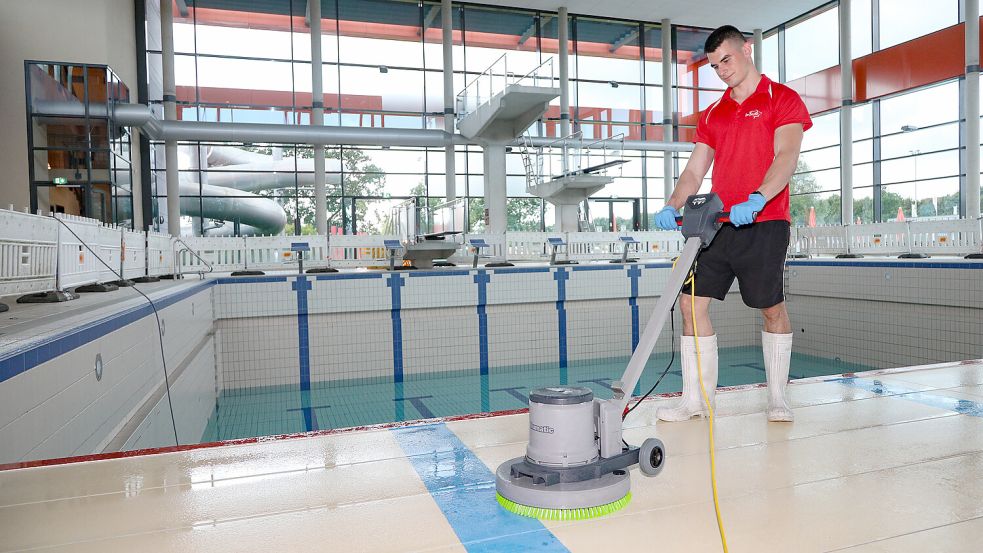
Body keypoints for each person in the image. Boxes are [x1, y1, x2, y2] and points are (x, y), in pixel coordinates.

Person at [654, 25, 812, 423]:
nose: (722, 70)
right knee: (690, 305)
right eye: (714, 66)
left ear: (747, 49)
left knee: (770, 308)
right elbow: (694, 171)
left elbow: (787, 156)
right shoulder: (714, 113)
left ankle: (778, 397)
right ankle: (696, 401)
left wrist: (759, 197)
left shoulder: (782, 99)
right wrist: (672, 204)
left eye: (726, 59)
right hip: (718, 224)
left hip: (765, 221)